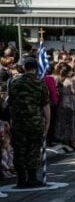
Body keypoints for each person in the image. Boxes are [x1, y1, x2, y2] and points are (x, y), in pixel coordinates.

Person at [8, 57, 51, 189]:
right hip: (35, 122)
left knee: (19, 150)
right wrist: (47, 122)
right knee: (33, 150)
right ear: (36, 68)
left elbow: (10, 104)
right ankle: (32, 177)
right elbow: (45, 105)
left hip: (18, 122)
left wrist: (11, 120)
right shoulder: (40, 83)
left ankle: (21, 179)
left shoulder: (14, 83)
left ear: (24, 67)